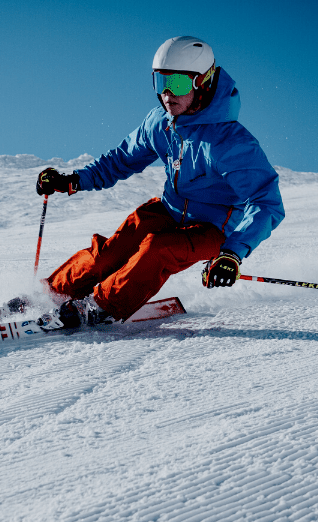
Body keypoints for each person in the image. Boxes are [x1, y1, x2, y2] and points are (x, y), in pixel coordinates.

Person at [35, 36, 284, 329]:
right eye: (160, 82)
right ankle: (50, 294)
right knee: (111, 253)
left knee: (157, 249)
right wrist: (72, 180)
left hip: (213, 228)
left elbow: (265, 203)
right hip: (168, 210)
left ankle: (99, 307)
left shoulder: (230, 142)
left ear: (202, 82)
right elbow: (120, 160)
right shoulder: (160, 122)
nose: (167, 94)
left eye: (177, 84)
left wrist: (232, 253)